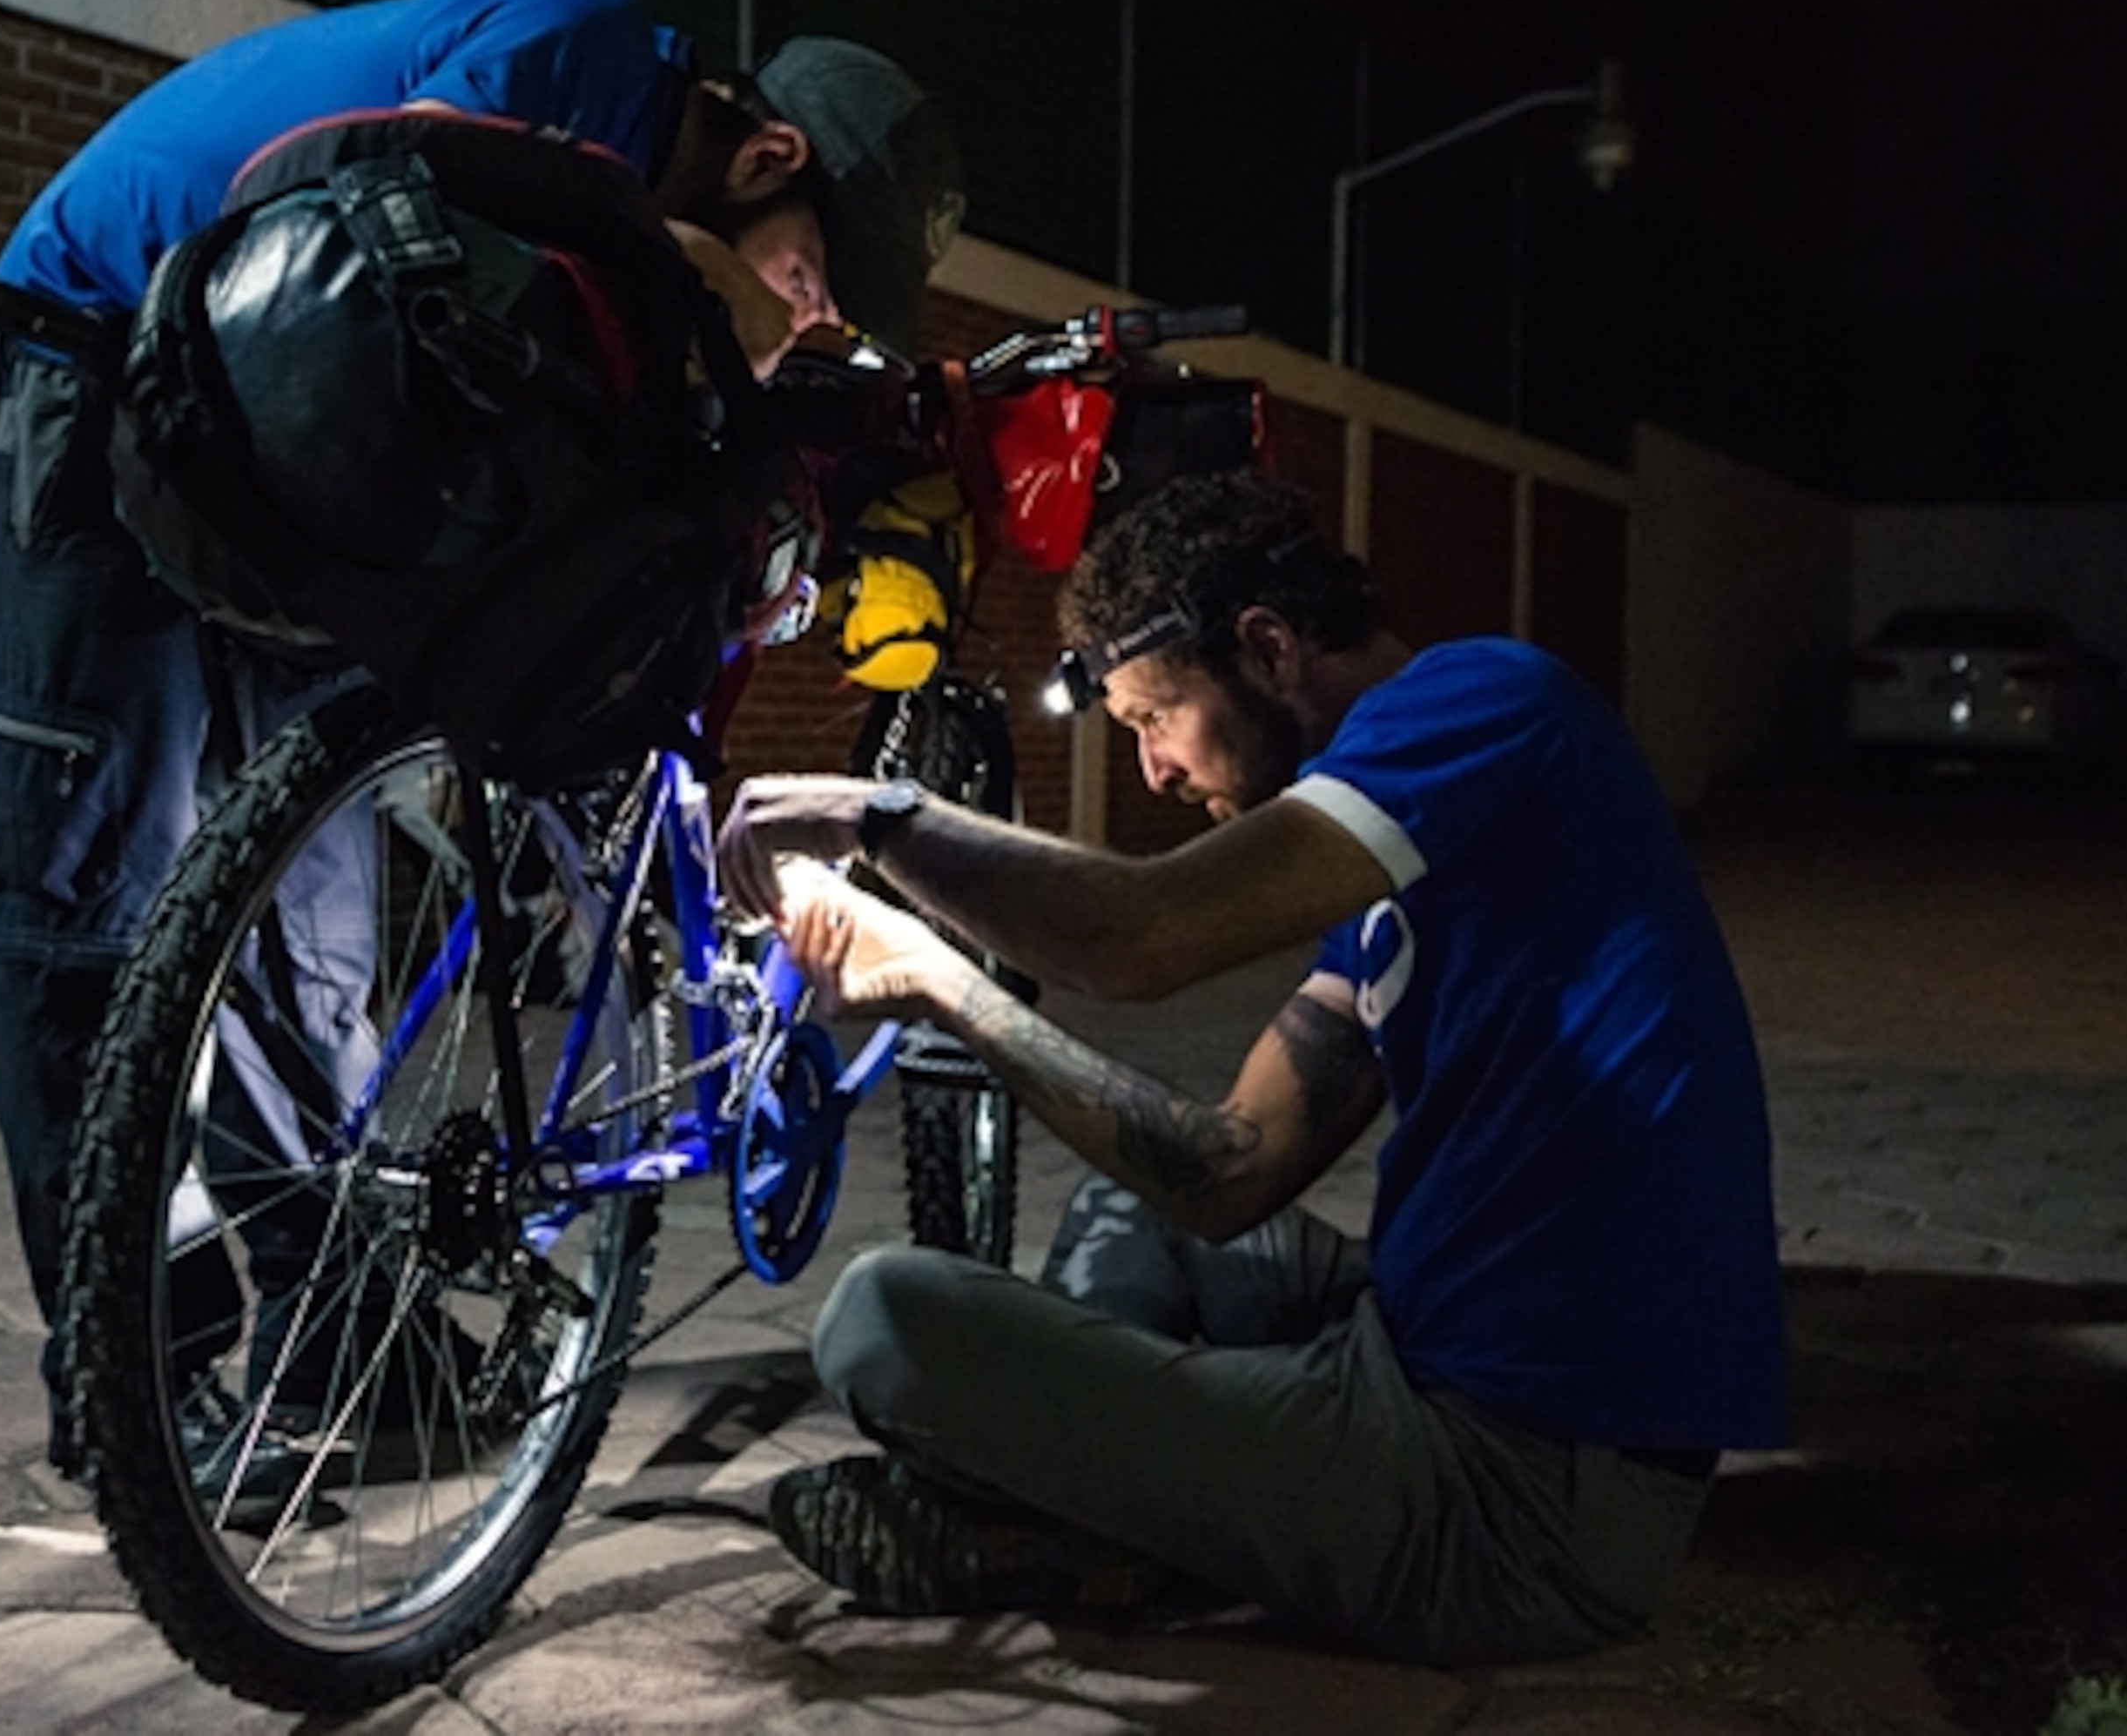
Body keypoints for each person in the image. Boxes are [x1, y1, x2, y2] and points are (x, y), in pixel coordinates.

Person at [0, 0, 962, 1470]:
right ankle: (143, 1392)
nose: (800, 322)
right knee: (95, 897)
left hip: (267, 411)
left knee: (307, 915)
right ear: (764, 157)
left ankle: (338, 1341)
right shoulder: (581, 43)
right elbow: (378, 220)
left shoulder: (614, 190)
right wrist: (696, 281)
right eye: (810, 283)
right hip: (97, 371)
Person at [715, 468, 1788, 1665]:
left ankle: (1079, 1523)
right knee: (1130, 1208)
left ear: (1268, 649)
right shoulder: (1391, 873)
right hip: (1432, 1363)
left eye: (1154, 719)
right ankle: (1098, 1514)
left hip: (1524, 1499)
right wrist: (940, 984)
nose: (1156, 771)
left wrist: (875, 816)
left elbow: (1140, 934)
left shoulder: (1487, 701)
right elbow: (1227, 1169)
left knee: (879, 1320)